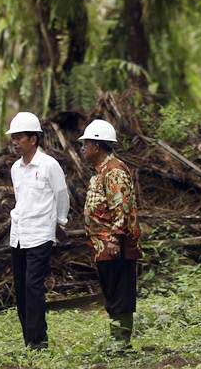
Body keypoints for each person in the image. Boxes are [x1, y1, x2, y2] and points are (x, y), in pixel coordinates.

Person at [6, 112, 70, 349]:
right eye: (13, 137)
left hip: (41, 234)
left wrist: (59, 222)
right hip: (19, 234)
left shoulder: (49, 165)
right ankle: (28, 339)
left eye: (19, 137)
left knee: (34, 286)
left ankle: (38, 341)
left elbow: (61, 195)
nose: (15, 141)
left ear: (33, 139)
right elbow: (20, 199)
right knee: (22, 288)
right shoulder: (15, 168)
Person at [78, 119, 141, 351]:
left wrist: (114, 238)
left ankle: (121, 341)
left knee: (120, 292)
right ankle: (117, 338)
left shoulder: (114, 171)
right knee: (112, 292)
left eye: (85, 143)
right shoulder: (100, 172)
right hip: (103, 245)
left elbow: (121, 208)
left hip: (116, 246)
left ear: (97, 145)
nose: (83, 148)